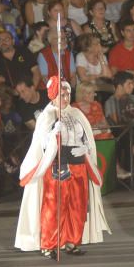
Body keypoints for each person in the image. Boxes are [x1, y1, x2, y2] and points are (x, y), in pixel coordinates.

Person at [15, 77, 110, 257]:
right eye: (61, 94)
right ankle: (49, 244)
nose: (65, 97)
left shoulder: (77, 114)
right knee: (54, 206)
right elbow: (40, 144)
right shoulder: (47, 116)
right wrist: (53, 134)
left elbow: (87, 139)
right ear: (53, 95)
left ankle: (72, 241)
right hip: (58, 165)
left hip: (78, 165)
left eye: (67, 94)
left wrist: (85, 149)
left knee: (78, 205)